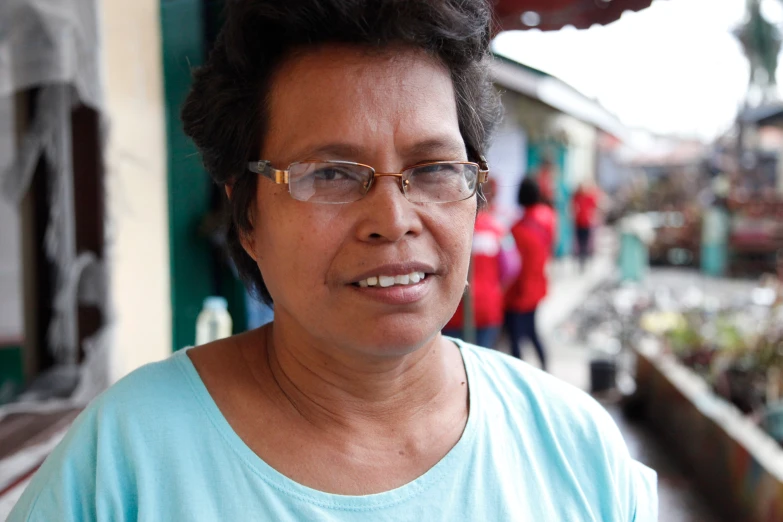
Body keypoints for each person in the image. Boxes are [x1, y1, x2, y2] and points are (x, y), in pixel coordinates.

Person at [9, 1, 657, 520]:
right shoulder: (127, 458)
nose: (393, 220)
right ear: (248, 215)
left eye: (433, 169)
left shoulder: (576, 450)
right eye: (330, 174)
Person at [442, 180, 519, 348]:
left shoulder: (449, 229)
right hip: (487, 308)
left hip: (452, 309)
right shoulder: (498, 229)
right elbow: (512, 268)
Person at [505, 178, 556, 371]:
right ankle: (545, 368)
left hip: (519, 291)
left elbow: (513, 266)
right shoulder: (549, 217)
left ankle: (520, 376)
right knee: (533, 331)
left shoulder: (517, 228)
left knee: (516, 337)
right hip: (538, 284)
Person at [573, 182, 600, 272]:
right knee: (580, 243)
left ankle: (585, 259)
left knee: (586, 242)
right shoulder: (577, 197)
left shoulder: (589, 198)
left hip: (587, 223)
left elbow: (595, 206)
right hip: (578, 223)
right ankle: (581, 260)